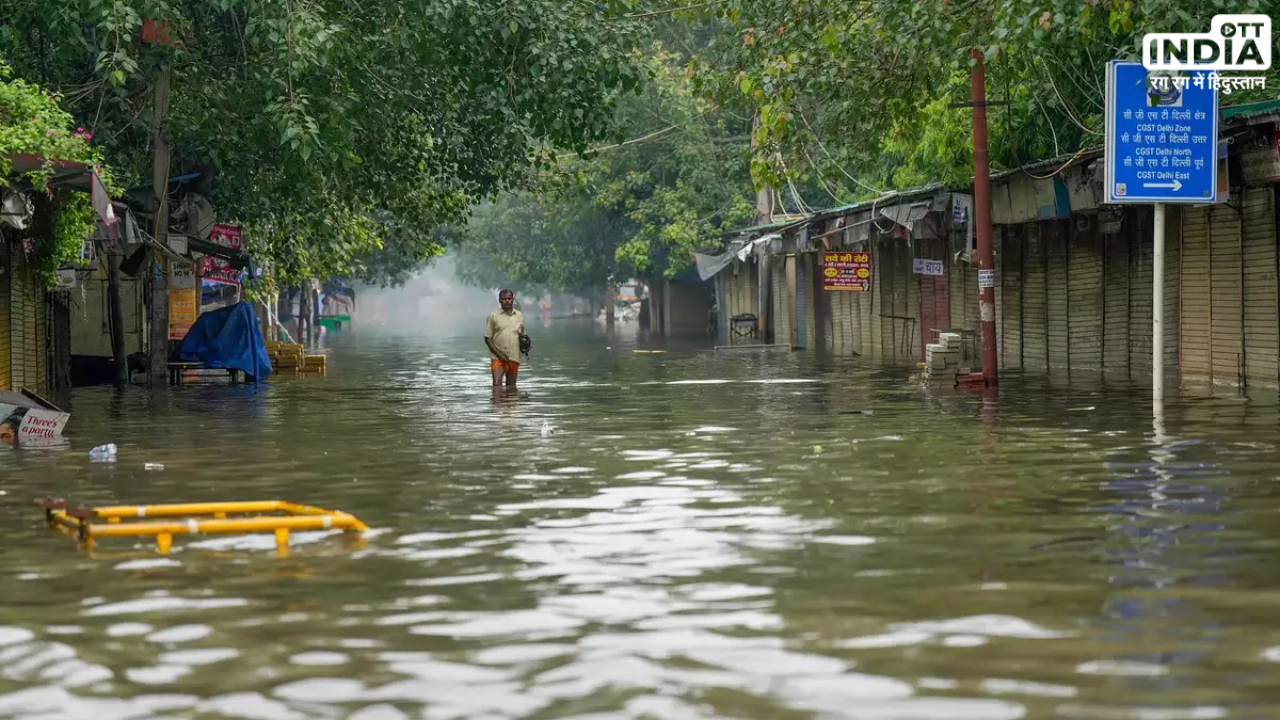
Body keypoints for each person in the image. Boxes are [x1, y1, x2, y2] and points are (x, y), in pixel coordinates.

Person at [484, 289, 525, 387]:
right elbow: (488, 338)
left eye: (509, 299)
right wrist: (500, 355)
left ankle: (510, 402)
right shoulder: (493, 316)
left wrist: (524, 344)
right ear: (500, 300)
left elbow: (521, 335)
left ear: (513, 300)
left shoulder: (519, 315)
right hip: (498, 357)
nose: (507, 301)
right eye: (504, 299)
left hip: (514, 356)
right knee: (497, 385)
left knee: (511, 386)